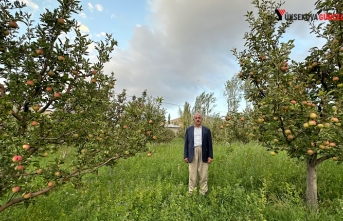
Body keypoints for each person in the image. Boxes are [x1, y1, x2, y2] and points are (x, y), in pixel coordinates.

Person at [184, 112, 213, 196]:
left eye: (199, 118)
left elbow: (210, 144)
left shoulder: (206, 130)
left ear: (202, 119)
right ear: (193, 120)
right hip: (192, 152)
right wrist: (185, 155)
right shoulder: (188, 130)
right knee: (192, 174)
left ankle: (203, 192)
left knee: (203, 174)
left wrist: (210, 156)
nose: (197, 119)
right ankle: (191, 192)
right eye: (196, 118)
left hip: (204, 152)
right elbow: (186, 143)